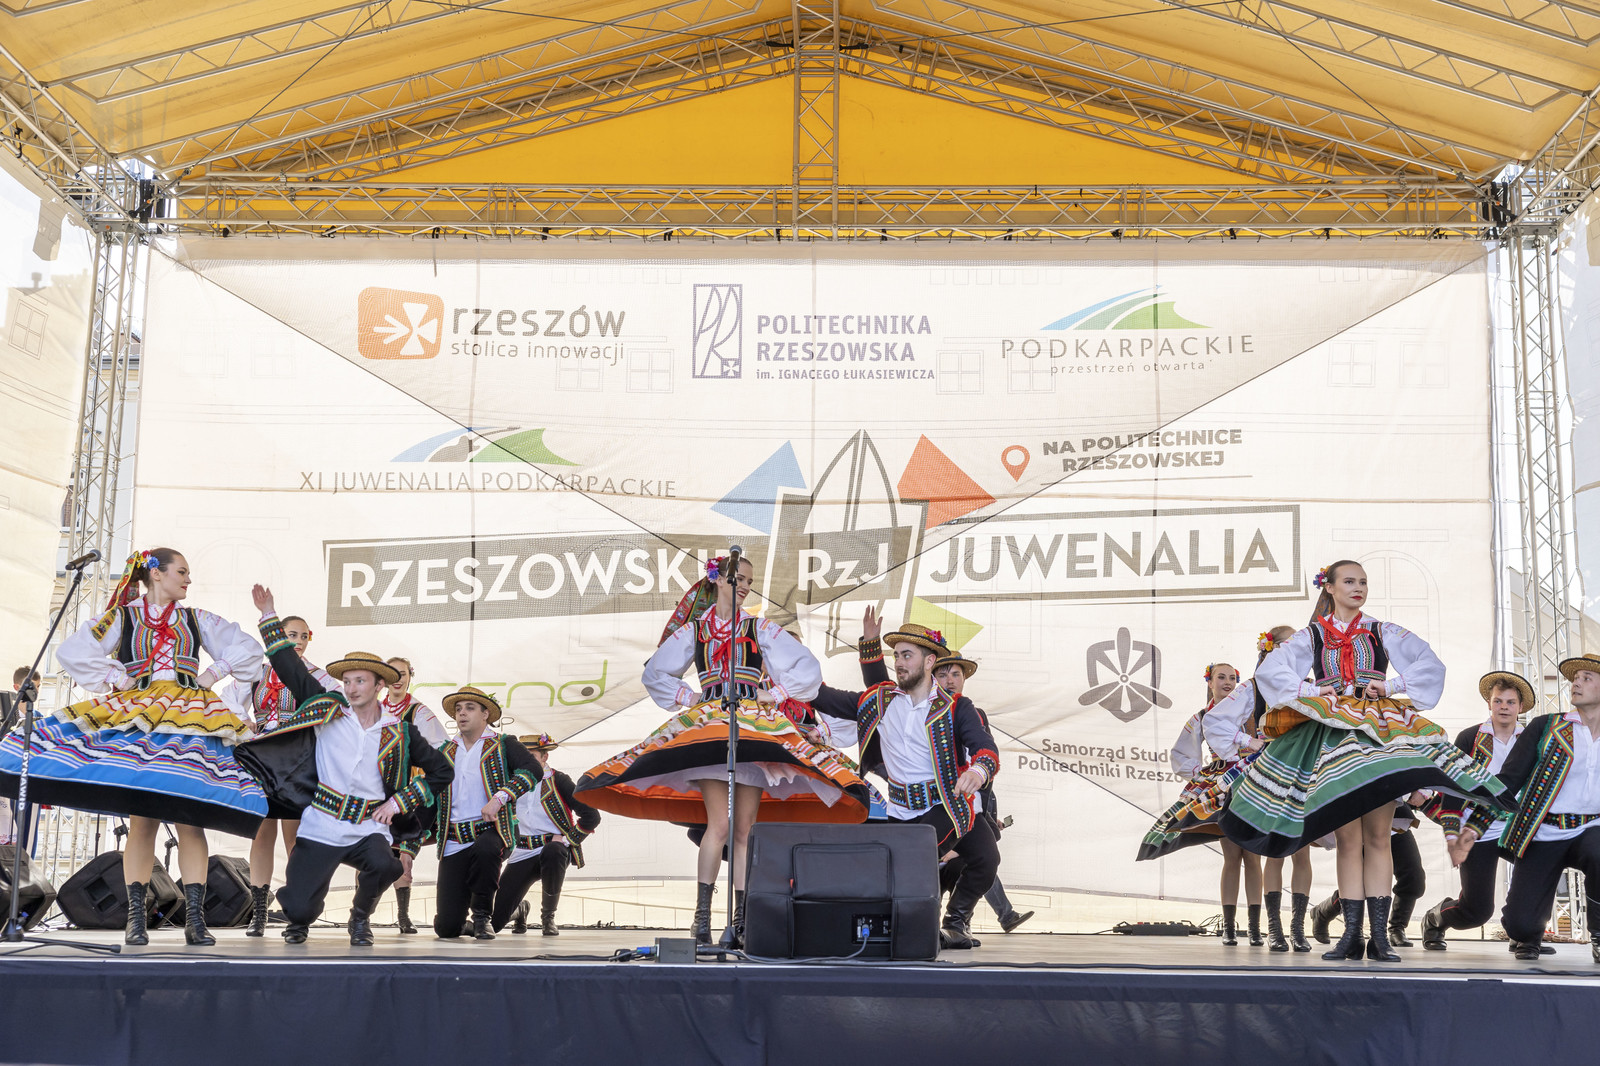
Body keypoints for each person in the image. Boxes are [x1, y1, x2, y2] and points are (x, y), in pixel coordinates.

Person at [1221, 560, 1511, 964]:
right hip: (1333, 734)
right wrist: (1313, 692)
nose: (1358, 587)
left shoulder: (1381, 630)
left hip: (1378, 729)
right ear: (1330, 587)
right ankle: (1351, 936)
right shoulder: (1311, 635)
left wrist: (1390, 685)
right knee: (1348, 839)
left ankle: (1379, 938)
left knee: (1378, 836)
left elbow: (1429, 664)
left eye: (1363, 582)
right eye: (1349, 581)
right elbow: (1271, 672)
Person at [576, 555, 870, 945]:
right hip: (712, 725)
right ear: (718, 579)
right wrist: (691, 697)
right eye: (740, 579)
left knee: (745, 830)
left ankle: (742, 921)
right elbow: (655, 672)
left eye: (749, 581)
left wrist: (774, 694)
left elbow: (807, 669)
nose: (745, 586)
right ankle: (701, 920)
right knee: (719, 826)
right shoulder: (695, 630)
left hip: (750, 726)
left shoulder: (758, 627)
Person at [0, 549, 268, 947]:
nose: (188, 579)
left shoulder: (196, 619)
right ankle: (136, 918)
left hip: (189, 716)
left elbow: (247, 649)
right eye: (182, 571)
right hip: (138, 713)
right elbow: (73, 651)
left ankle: (195, 920)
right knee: (143, 820)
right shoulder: (123, 617)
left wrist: (213, 672)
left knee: (190, 818)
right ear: (156, 574)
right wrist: (119, 677)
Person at [246, 587, 453, 945]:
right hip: (323, 825)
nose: (352, 688)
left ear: (379, 685)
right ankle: (300, 915)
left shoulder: (400, 732)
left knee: (386, 864)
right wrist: (268, 614)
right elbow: (290, 667)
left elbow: (442, 771)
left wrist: (398, 803)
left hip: (368, 827)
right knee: (298, 911)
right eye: (348, 681)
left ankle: (360, 918)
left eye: (360, 681)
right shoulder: (328, 711)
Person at [812, 620, 1001, 949]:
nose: (899, 662)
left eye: (907, 655)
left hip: (948, 804)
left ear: (929, 662)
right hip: (903, 809)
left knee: (983, 859)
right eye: (896, 655)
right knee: (907, 863)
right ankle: (917, 929)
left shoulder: (956, 707)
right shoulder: (881, 701)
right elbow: (825, 697)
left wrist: (978, 771)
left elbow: (986, 748)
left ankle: (952, 924)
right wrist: (781, 676)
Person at [1455, 654, 1600, 963]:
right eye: (1575, 678)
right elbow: (1508, 780)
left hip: (1592, 828)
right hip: (1544, 831)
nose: (1576, 683)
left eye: (1586, 678)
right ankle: (1527, 931)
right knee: (1520, 925)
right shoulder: (1546, 727)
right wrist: (1474, 826)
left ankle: (1599, 936)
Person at [224, 612, 333, 937]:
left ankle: (297, 911)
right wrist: (243, 721)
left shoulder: (316, 675)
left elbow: (336, 706)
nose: (298, 642)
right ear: (278, 637)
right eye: (291, 635)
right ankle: (259, 912)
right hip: (262, 758)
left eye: (303, 636)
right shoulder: (256, 672)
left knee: (295, 836)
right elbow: (227, 699)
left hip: (299, 759)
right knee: (261, 832)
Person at [1141, 660, 1265, 947]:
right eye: (1221, 677)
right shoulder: (1201, 717)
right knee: (1232, 856)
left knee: (1253, 856)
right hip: (1222, 785)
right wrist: (1201, 773)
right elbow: (1180, 754)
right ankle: (1229, 928)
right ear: (1209, 682)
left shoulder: (1250, 712)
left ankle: (1255, 928)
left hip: (1250, 781)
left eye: (1232, 678)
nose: (1227, 682)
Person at [1421, 671, 1531, 951]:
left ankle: (1522, 931)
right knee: (1477, 911)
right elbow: (1454, 787)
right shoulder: (1470, 737)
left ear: (1521, 706)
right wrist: (1452, 834)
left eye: (1510, 702)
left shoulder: (1531, 739)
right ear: (1489, 704)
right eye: (1498, 701)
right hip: (1476, 829)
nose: (1504, 707)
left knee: (1539, 874)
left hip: (1518, 828)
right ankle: (1436, 918)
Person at [425, 686, 541, 941]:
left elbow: (533, 770)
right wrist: (409, 846)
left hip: (493, 831)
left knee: (486, 849)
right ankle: (502, 915)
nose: (461, 713)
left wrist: (500, 798)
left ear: (485, 714)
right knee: (446, 929)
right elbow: (430, 798)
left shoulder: (503, 744)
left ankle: (481, 916)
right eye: (458, 709)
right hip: (454, 839)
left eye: (469, 708)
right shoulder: (445, 751)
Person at [490, 733, 601, 936]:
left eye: (531, 756)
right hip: (521, 852)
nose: (525, 762)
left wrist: (567, 840)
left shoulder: (559, 780)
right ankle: (520, 910)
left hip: (551, 852)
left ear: (544, 757)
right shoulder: (509, 784)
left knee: (554, 851)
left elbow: (591, 816)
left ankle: (548, 917)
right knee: (494, 924)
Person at [381, 656, 447, 935]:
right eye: (393, 673)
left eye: (403, 673)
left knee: (401, 851)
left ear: (410, 677)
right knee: (369, 847)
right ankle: (360, 913)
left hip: (406, 791)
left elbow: (442, 748)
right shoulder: (373, 708)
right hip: (375, 788)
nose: (398, 678)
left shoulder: (419, 712)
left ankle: (403, 915)